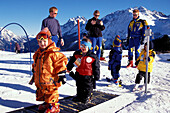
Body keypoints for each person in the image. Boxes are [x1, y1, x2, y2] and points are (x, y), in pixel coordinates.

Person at [29, 28, 67, 113]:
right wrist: (34, 70)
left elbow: (61, 62)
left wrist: (61, 73)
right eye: (40, 42)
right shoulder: (37, 54)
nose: (42, 43)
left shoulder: (53, 53)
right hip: (42, 79)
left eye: (44, 41)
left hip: (51, 79)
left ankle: (55, 106)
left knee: (51, 92)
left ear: (49, 40)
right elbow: (35, 64)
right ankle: (47, 103)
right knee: (43, 92)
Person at [67, 38, 100, 104]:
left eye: (85, 46)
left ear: (89, 47)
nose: (83, 48)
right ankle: (79, 96)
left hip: (88, 75)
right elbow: (72, 61)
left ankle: (87, 97)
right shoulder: (77, 54)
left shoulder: (92, 56)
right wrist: (69, 68)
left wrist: (96, 75)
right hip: (79, 74)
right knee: (79, 86)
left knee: (87, 87)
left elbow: (96, 67)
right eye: (82, 46)